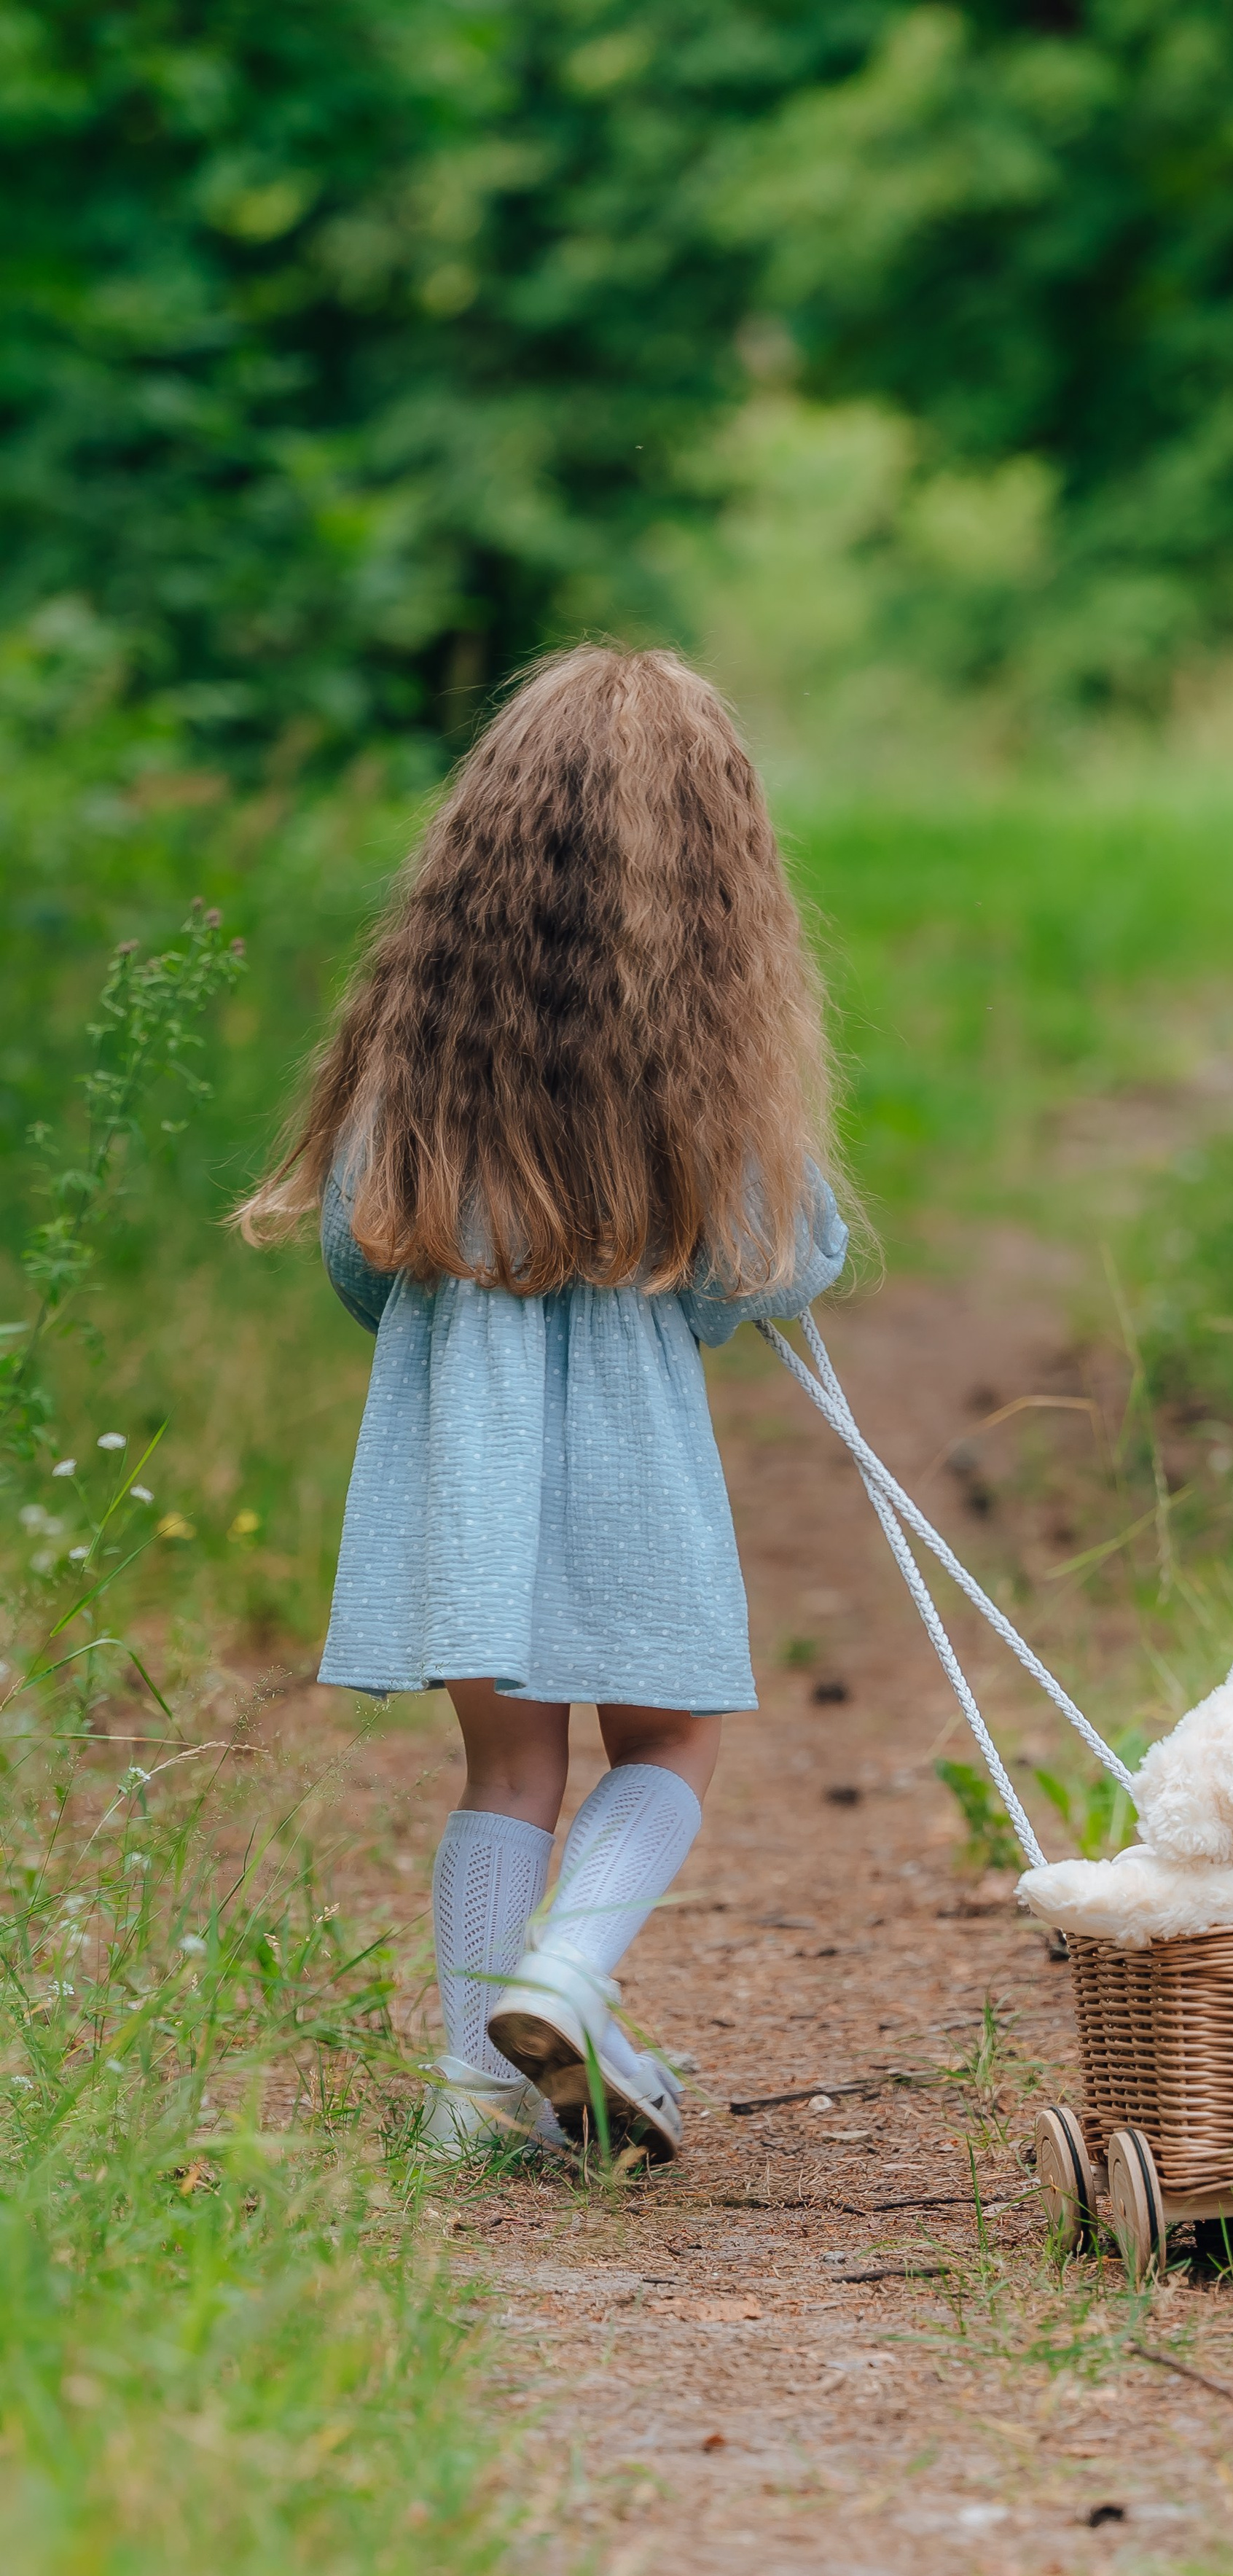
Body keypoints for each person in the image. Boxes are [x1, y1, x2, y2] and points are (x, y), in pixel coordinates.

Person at [240, 644, 849, 2161]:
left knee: (506, 1763)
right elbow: (761, 1274)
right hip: (627, 1456)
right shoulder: (701, 1071)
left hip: (457, 1457)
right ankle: (566, 1978)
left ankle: (471, 2088)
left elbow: (356, 1258)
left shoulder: (419, 1057)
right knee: (669, 1745)